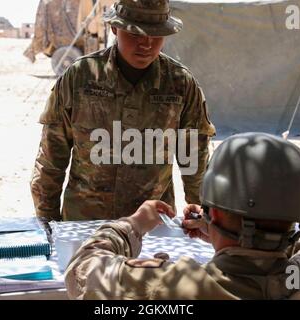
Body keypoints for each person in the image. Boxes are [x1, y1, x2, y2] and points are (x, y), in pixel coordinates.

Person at [64, 132, 300, 299]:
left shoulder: (168, 289)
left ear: (216, 214)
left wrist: (133, 225)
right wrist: (241, 237)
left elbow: (82, 271)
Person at [31, 0, 216, 221]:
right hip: (87, 223)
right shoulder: (79, 78)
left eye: (156, 35)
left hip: (153, 226)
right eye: (135, 35)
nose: (146, 44)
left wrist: (203, 213)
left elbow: (194, 160)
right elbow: (51, 161)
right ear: (114, 28)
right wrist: (48, 224)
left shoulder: (180, 84)